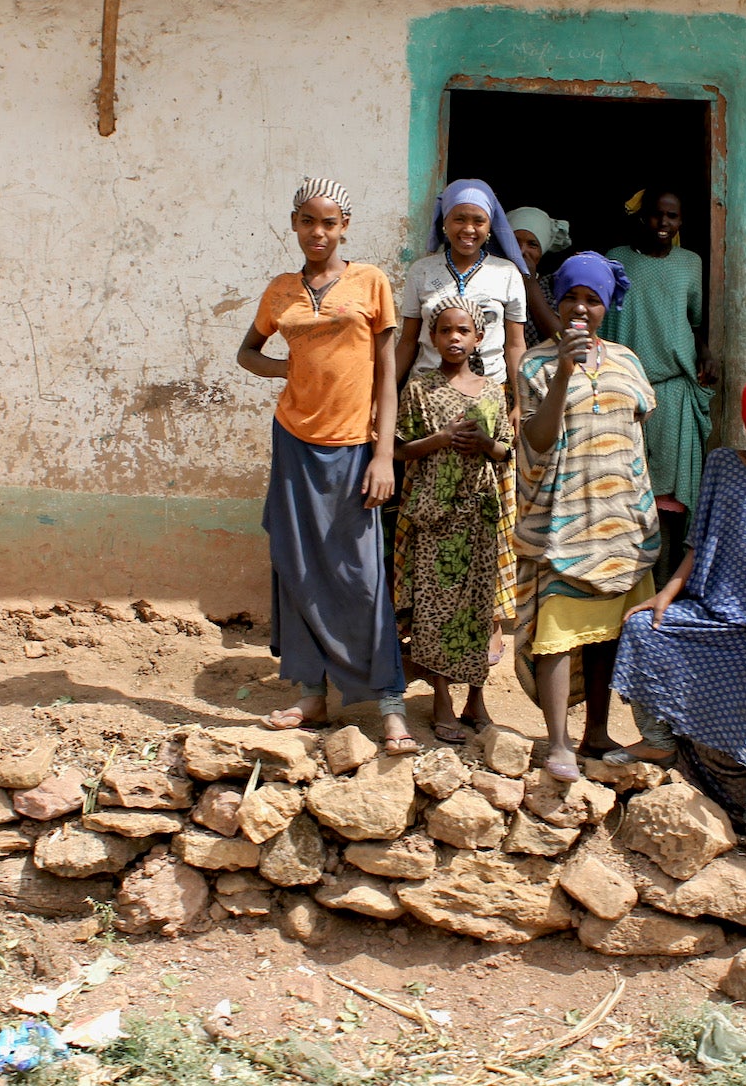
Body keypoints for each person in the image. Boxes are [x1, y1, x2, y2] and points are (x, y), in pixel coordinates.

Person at [610, 375, 746, 871]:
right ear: (744, 423)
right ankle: (661, 742)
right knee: (642, 631)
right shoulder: (723, 465)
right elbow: (699, 537)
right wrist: (667, 593)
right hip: (718, 614)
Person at [237, 178, 416, 754]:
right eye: (308, 222)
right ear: (294, 225)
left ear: (345, 226)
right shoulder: (280, 291)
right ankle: (310, 694)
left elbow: (387, 373)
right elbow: (248, 352)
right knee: (297, 565)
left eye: (330, 222)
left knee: (361, 575)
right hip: (294, 440)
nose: (319, 232)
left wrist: (384, 454)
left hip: (354, 446)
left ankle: (389, 699)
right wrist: (284, 373)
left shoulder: (371, 282)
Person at [515, 251, 659, 782]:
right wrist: (563, 374)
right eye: (571, 296)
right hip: (563, 518)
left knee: (607, 635)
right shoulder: (534, 363)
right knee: (556, 629)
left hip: (621, 518)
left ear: (607, 306)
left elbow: (637, 434)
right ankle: (558, 742)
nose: (580, 307)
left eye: (592, 299)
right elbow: (536, 436)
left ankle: (596, 733)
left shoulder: (627, 361)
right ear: (555, 301)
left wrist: (643, 505)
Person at [395, 297, 515, 743]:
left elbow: (506, 451)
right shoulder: (419, 389)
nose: (454, 339)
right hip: (435, 517)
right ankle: (442, 699)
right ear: (432, 337)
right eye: (445, 331)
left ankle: (476, 700)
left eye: (462, 331)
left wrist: (484, 442)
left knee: (479, 611)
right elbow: (398, 448)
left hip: (480, 514)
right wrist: (441, 439)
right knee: (436, 610)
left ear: (478, 337)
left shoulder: (492, 391)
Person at [604, 189, 714, 572]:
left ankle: (666, 579)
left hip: (672, 391)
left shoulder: (690, 263)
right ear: (642, 217)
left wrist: (703, 351)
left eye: (672, 217)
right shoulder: (615, 259)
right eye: (656, 215)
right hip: (623, 390)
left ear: (681, 222)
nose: (663, 224)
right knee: (621, 491)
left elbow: (692, 320)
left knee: (668, 497)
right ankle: (625, 583)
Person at [397, 179, 530, 402]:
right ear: (444, 222)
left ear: (489, 226)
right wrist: (380, 396)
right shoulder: (422, 271)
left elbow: (515, 345)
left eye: (479, 221)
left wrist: (521, 401)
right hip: (426, 395)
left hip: (489, 396)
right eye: (459, 219)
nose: (468, 229)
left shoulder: (507, 274)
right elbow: (408, 342)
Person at [508, 205, 570, 347]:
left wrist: (530, 283)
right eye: (515, 242)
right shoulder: (489, 279)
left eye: (532, 245)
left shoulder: (551, 285)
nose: (522, 251)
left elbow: (560, 337)